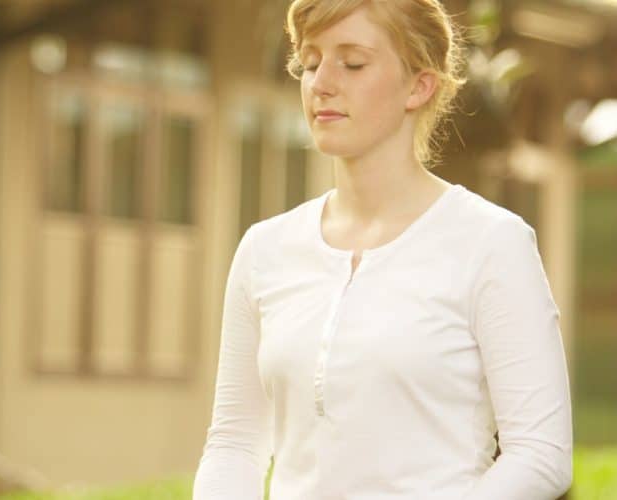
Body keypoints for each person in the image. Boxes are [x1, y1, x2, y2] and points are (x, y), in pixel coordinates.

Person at [193, 0, 573, 498]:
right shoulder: (264, 250)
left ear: (419, 85)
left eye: (352, 62)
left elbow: (541, 454)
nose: (322, 82)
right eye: (310, 63)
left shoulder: (492, 243)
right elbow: (234, 444)